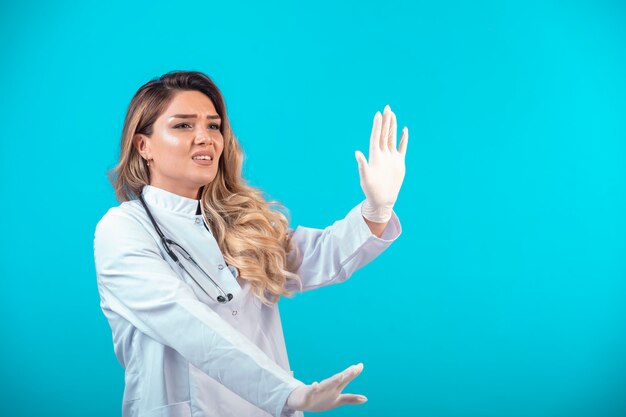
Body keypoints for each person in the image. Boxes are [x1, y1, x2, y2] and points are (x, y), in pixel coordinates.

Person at [93, 70, 408, 417]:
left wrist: (377, 208)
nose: (205, 138)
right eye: (183, 125)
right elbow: (187, 323)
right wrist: (289, 393)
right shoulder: (123, 230)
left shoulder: (240, 224)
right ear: (144, 145)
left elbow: (322, 255)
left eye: (213, 126)